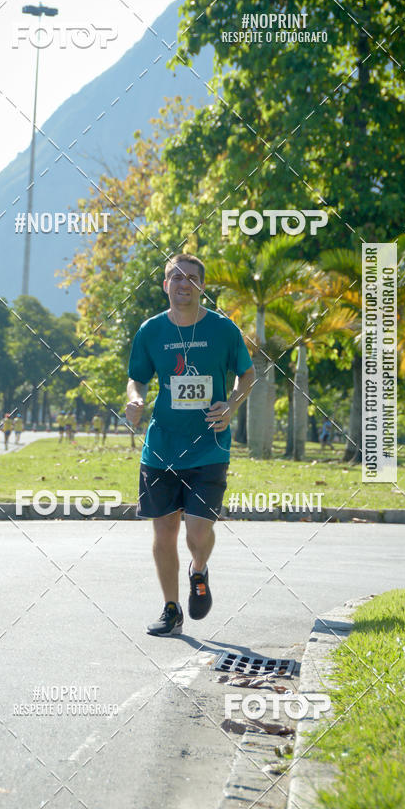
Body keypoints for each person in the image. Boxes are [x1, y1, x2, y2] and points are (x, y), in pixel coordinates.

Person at [126, 253, 255, 637]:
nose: (185, 283)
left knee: (197, 534)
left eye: (193, 278)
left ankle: (199, 570)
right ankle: (171, 610)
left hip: (209, 446)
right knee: (164, 533)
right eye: (177, 277)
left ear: (202, 285)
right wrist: (135, 399)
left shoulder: (223, 329)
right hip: (161, 447)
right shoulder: (150, 330)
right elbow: (137, 378)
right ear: (166, 284)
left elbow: (247, 374)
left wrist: (232, 405)